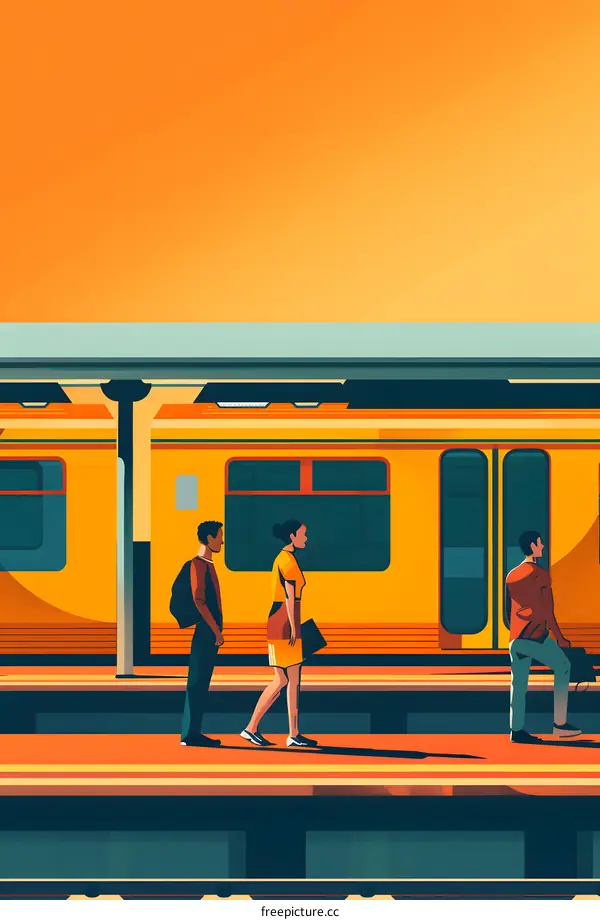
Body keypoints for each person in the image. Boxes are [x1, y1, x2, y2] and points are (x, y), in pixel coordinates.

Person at [241, 520, 318, 748]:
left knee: (293, 679)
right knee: (283, 679)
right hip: (284, 624)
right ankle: (250, 728)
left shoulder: (283, 558)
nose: (306, 538)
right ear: (292, 536)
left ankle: (293, 733)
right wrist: (294, 627)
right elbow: (290, 597)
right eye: (303, 534)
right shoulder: (288, 561)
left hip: (282, 621)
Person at [506, 529, 582, 743]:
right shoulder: (540, 574)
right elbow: (548, 611)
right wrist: (559, 637)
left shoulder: (511, 575)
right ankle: (559, 724)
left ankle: (516, 730)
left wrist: (516, 632)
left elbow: (507, 609)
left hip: (516, 638)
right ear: (532, 546)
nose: (542, 547)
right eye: (540, 543)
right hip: (536, 636)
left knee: (518, 684)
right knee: (563, 666)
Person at [180, 520, 225, 747]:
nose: (221, 541)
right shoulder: (198, 564)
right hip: (206, 631)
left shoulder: (207, 563)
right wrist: (216, 630)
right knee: (197, 681)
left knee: (200, 681)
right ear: (208, 538)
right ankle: (190, 734)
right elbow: (199, 600)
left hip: (209, 631)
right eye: (218, 536)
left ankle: (193, 732)